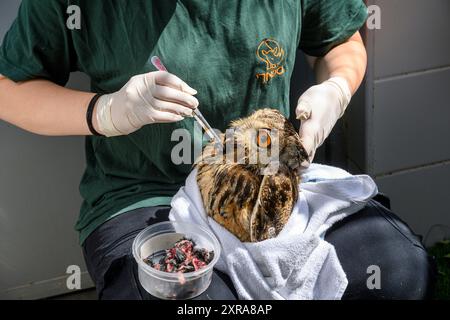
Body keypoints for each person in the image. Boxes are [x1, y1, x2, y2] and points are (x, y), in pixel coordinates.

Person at [0, 0, 434, 299]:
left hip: (272, 183)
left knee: (397, 274)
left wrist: (335, 89)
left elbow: (341, 41)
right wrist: (107, 112)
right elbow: (9, 89)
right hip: (145, 197)